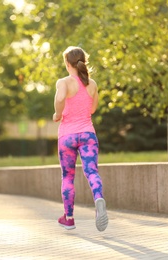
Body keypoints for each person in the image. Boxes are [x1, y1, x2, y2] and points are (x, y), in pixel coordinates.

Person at [52, 46, 108, 232]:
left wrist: (57, 114)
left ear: (68, 64)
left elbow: (60, 98)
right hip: (87, 135)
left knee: (68, 176)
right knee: (91, 171)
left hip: (67, 136)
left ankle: (69, 218)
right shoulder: (91, 84)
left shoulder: (64, 82)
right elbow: (92, 109)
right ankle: (98, 198)